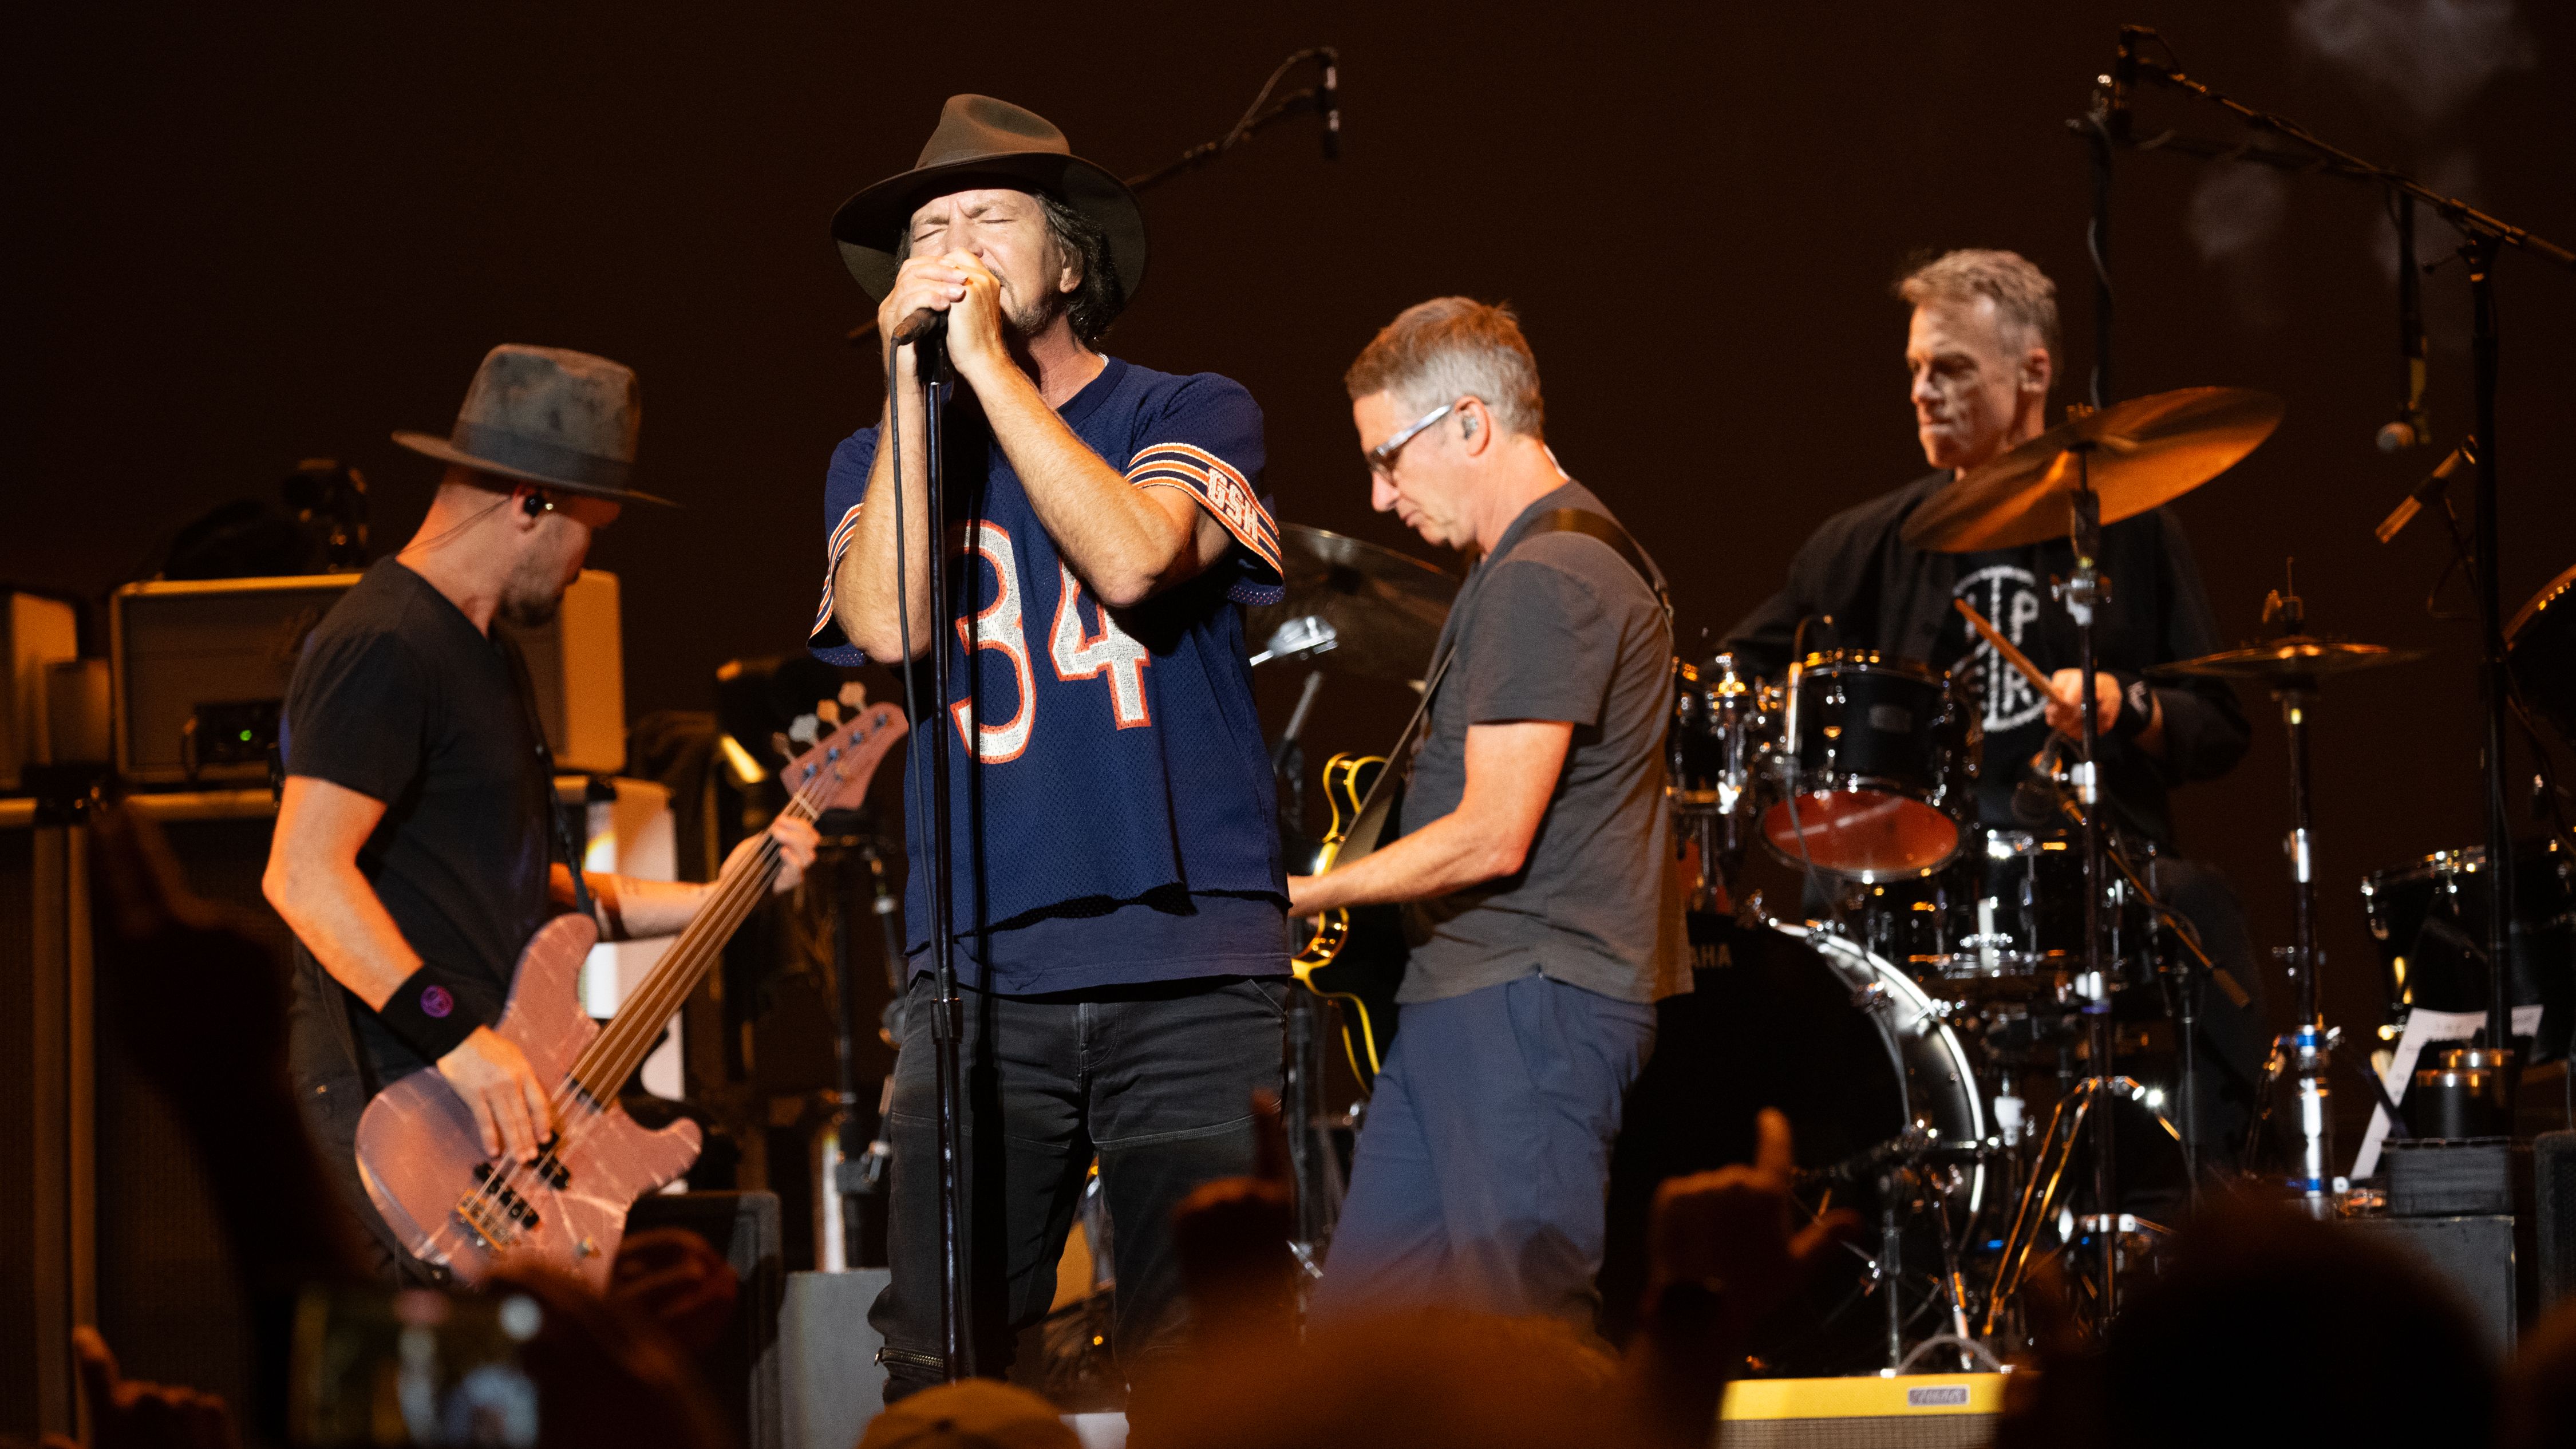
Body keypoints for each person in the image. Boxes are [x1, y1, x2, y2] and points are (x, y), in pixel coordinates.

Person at [809, 96, 1291, 1400]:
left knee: (1212, 1370)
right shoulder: (876, 454)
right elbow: (892, 623)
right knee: (941, 1361)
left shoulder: (1188, 405)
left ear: (1070, 261)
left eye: (987, 217)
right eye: (929, 227)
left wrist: (994, 379)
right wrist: (915, 393)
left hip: (1188, 965)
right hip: (977, 971)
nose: (951, 244)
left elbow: (1140, 558)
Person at [264, 345, 818, 1283]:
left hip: (490, 1123)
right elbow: (304, 873)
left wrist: (713, 896)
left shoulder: (484, 656)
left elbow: (524, 891)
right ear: (531, 503)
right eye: (587, 532)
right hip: (410, 1118)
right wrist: (462, 1041)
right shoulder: (385, 643)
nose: (582, 564)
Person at [1721, 249, 2264, 1151]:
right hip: (1907, 880)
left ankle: (2221, 1200)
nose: (1923, 392)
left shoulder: (2130, 526)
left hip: (2086, 872)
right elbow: (1741, 676)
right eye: (1916, 371)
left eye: (1953, 370)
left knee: (2200, 908)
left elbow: (2220, 725)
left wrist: (2127, 706)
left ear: (2034, 372)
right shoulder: (1864, 544)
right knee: (1790, 964)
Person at [1290, 298, 1689, 1333]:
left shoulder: (1547, 575)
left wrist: (1308, 892)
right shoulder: (1529, 566)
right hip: (1474, 996)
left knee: (1526, 1349)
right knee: (1359, 1364)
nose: (1378, 497)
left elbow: (1493, 831)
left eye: (1388, 459)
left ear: (1469, 424)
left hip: (1528, 1001)